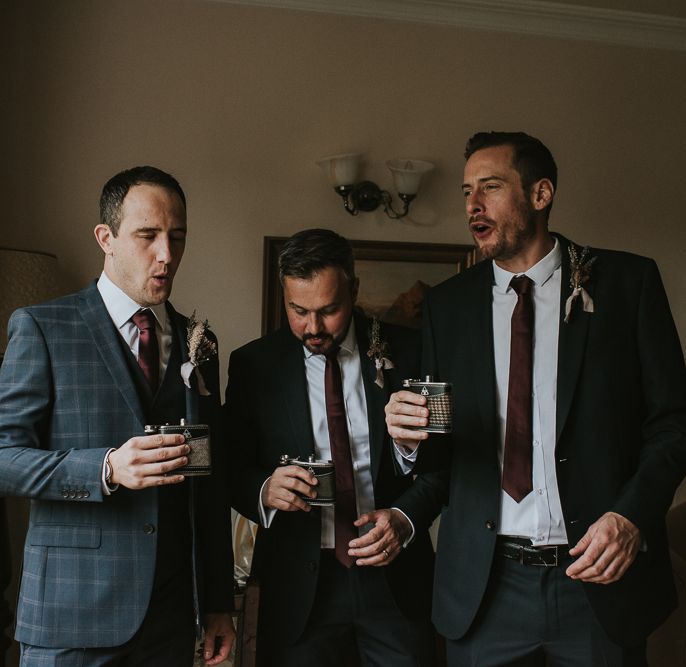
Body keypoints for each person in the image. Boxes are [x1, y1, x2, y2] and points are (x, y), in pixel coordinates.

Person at [385, 132, 686, 666]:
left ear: (541, 193)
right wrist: (409, 442)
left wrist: (631, 517)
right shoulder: (448, 306)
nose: (472, 206)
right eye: (466, 192)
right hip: (483, 589)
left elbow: (675, 424)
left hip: (597, 583)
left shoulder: (628, 283)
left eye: (490, 187)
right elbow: (444, 457)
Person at [0, 166, 235, 666]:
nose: (167, 254)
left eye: (177, 237)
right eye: (148, 236)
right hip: (70, 615)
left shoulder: (202, 343)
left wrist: (216, 604)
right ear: (106, 238)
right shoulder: (43, 327)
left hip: (170, 617)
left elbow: (208, 488)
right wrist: (106, 468)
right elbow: (4, 457)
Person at [225, 228, 446, 666]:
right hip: (298, 590)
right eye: (298, 310)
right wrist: (264, 490)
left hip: (397, 585)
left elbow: (447, 465)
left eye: (329, 310)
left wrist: (405, 519)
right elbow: (230, 468)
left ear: (354, 290)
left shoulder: (410, 351)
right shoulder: (253, 365)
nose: (313, 327)